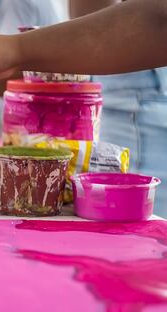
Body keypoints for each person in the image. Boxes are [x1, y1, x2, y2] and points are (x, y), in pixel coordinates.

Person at [0, 0, 167, 214]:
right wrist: (15, 50)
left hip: (144, 125)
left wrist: (16, 49)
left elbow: (156, 23)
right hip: (127, 114)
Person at [70, 0, 167, 216]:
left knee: (140, 240)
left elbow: (96, 39)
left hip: (140, 122)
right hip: (135, 114)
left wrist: (16, 50)